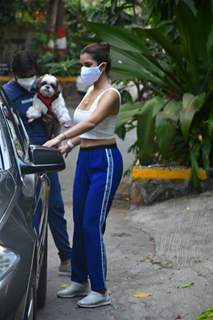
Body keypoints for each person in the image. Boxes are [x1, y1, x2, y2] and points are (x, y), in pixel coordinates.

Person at [44, 42, 123, 308]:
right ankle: (79, 281)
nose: (83, 69)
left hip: (105, 160)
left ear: (102, 66)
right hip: (86, 158)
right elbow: (86, 130)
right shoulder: (90, 89)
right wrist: (70, 144)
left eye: (88, 65)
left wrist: (60, 137)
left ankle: (100, 290)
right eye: (82, 64)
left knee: (92, 224)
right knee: (79, 221)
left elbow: (92, 122)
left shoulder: (111, 94)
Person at [3, 50, 72, 276]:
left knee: (54, 206)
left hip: (45, 154)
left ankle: (66, 256)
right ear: (14, 74)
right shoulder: (7, 93)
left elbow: (59, 111)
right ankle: (22, 265)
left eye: (30, 74)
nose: (28, 78)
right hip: (19, 159)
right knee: (21, 212)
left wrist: (52, 121)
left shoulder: (44, 86)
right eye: (23, 75)